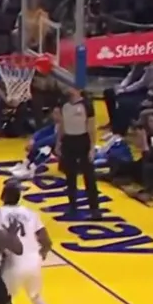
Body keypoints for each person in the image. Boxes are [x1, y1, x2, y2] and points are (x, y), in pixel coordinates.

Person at [0, 182, 52, 304]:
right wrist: (41, 255)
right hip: (33, 261)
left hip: (13, 263)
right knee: (35, 297)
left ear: (2, 196)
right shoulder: (31, 214)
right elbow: (47, 241)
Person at [58, 83, 100, 218]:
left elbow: (91, 128)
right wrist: (58, 143)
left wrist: (92, 147)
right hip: (68, 141)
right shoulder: (63, 104)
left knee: (89, 176)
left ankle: (94, 208)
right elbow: (61, 125)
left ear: (78, 90)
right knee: (70, 176)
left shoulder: (87, 105)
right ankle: (72, 206)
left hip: (83, 140)